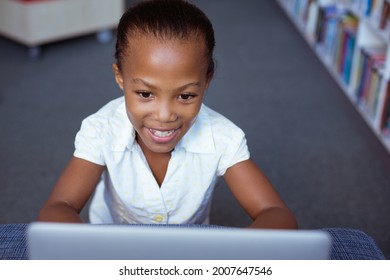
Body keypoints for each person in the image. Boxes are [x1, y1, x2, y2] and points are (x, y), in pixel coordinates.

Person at [37, 0, 297, 229]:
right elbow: (59, 207)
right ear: (120, 78)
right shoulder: (100, 129)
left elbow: (276, 214)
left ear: (206, 82)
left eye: (185, 96)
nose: (164, 115)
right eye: (145, 94)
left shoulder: (224, 137)